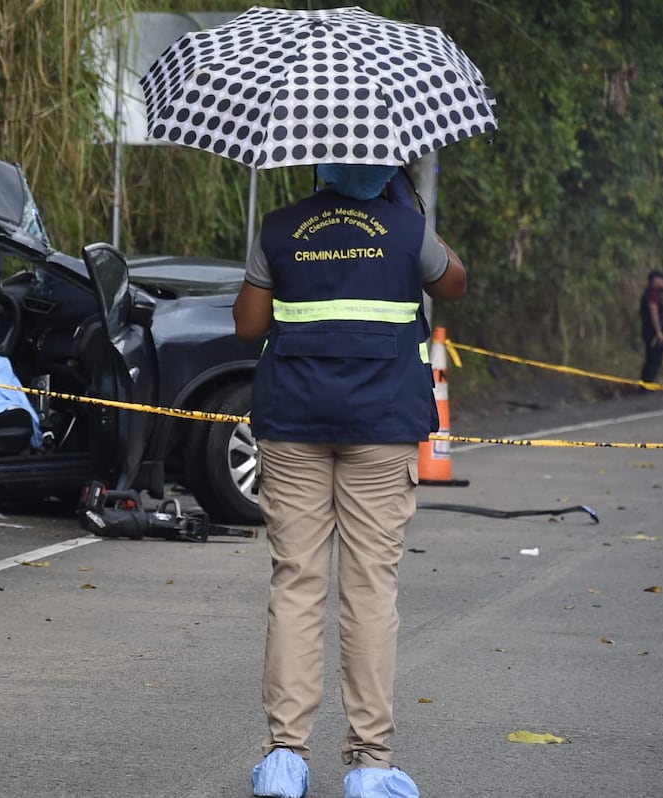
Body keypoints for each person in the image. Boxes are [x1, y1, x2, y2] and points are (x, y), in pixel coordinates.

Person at [233, 162, 467, 798]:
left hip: (292, 425)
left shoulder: (279, 228)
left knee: (297, 585)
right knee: (370, 590)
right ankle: (369, 765)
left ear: (317, 163)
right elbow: (454, 284)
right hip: (382, 427)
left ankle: (285, 758)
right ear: (384, 163)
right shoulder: (404, 228)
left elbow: (248, 326)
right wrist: (410, 210)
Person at [639, 270, 663, 387]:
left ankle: (648, 383)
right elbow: (654, 314)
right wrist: (658, 333)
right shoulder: (651, 294)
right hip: (651, 331)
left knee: (655, 358)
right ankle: (646, 385)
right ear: (655, 281)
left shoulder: (657, 295)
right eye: (662, 279)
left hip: (655, 331)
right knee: (653, 358)